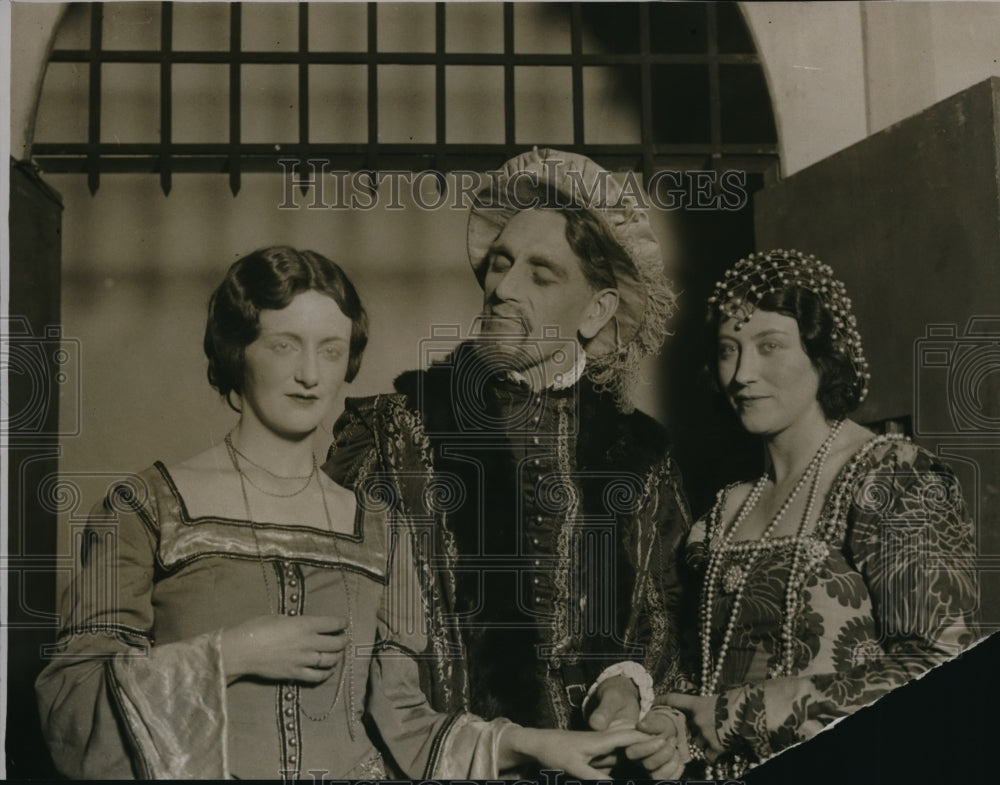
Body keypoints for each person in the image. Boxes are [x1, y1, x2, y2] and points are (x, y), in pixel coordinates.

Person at [34, 246, 651, 780]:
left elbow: (407, 725)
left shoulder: (381, 528)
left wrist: (540, 744)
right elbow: (70, 708)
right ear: (237, 351)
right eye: (284, 345)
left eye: (331, 351)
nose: (309, 374)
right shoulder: (144, 507)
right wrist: (233, 653)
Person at [325, 148, 693, 777]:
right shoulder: (392, 433)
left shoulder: (642, 459)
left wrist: (626, 686)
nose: (502, 288)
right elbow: (341, 638)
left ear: (597, 310)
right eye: (501, 263)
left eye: (541, 274)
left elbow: (665, 622)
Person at [628, 249, 980, 778]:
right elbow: (698, 672)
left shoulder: (891, 479)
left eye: (770, 346)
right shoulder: (721, 510)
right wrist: (674, 726)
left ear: (824, 353)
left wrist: (737, 715)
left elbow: (941, 661)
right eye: (728, 351)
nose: (743, 374)